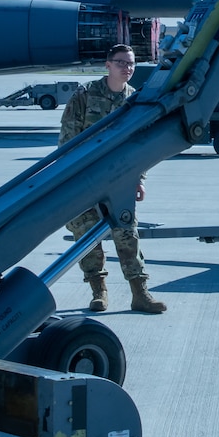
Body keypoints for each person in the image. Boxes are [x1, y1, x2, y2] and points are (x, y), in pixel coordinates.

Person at [60, 44, 166, 315]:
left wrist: (139, 178)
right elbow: (68, 140)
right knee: (86, 235)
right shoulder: (85, 94)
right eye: (120, 63)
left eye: (130, 63)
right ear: (107, 65)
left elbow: (139, 146)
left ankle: (139, 294)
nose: (127, 68)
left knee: (127, 233)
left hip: (119, 179)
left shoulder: (135, 102)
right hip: (84, 177)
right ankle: (99, 292)